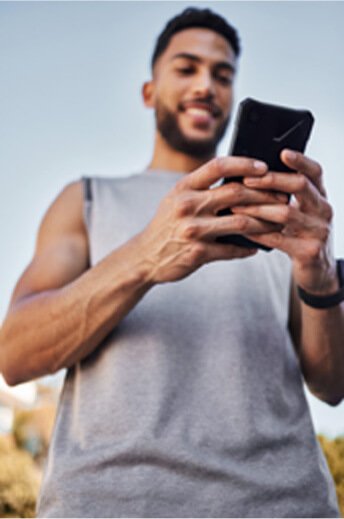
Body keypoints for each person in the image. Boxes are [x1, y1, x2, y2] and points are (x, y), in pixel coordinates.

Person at [0, 7, 343, 518]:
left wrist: (321, 278)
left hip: (282, 504)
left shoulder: (281, 217)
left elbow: (332, 385)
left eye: (222, 75)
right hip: (111, 504)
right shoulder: (87, 198)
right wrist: (143, 257)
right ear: (148, 92)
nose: (206, 84)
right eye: (186, 68)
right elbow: (15, 354)